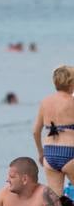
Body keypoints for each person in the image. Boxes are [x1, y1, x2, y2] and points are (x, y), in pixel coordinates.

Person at [32, 64, 74, 195]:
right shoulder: (72, 102)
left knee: (55, 202)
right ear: (71, 82)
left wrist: (40, 153)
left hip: (50, 154)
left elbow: (35, 131)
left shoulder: (45, 102)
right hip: (70, 152)